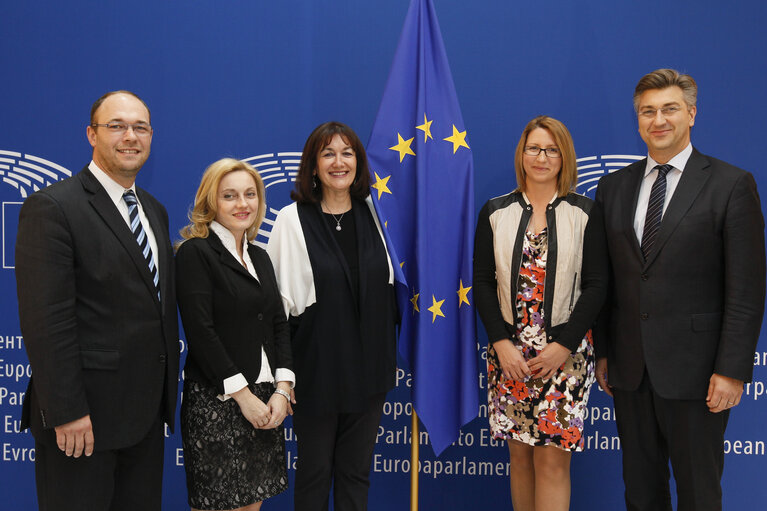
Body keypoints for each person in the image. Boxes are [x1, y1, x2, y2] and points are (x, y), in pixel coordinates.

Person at [593, 68, 766, 511]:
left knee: (699, 494)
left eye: (669, 109)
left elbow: (746, 290)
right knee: (641, 493)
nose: (658, 120)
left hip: (698, 374)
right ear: (638, 122)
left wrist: (732, 369)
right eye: (647, 112)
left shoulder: (731, 184)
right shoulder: (613, 188)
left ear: (691, 114)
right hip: (631, 374)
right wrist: (605, 354)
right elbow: (606, 281)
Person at [15, 90, 179, 511]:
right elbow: (45, 321)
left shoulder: (154, 212)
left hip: (143, 422)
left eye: (140, 127)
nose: (130, 136)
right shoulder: (53, 207)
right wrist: (66, 410)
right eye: (117, 126)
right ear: (91, 134)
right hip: (82, 423)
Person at [474, 116, 607, 511]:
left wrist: (563, 345)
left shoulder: (585, 213)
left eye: (551, 149)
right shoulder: (496, 212)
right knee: (519, 459)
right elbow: (481, 281)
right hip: (510, 357)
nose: (542, 157)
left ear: (564, 157)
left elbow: (598, 285)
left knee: (551, 461)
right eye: (534, 148)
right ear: (522, 153)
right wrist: (501, 344)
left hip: (562, 359)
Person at [266, 121, 397, 511]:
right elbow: (277, 309)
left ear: (358, 161)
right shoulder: (292, 219)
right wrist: (284, 379)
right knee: (314, 474)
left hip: (370, 371)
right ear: (313, 166)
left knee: (356, 475)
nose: (338, 162)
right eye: (328, 154)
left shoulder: (379, 214)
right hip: (316, 372)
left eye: (347, 153)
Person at [176, 158, 294, 511]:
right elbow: (201, 332)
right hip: (219, 400)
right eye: (229, 196)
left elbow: (278, 324)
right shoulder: (196, 253)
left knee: (250, 505)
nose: (242, 204)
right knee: (219, 504)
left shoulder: (259, 256)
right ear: (210, 202)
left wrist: (282, 390)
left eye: (249, 194)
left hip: (265, 396)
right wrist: (244, 397)